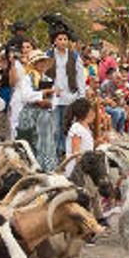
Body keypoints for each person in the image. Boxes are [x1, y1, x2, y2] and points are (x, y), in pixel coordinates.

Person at [14, 51, 58, 171]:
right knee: (30, 143)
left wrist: (50, 102)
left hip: (45, 116)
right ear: (34, 64)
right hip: (30, 115)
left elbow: (54, 98)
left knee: (46, 143)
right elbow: (25, 96)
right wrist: (41, 95)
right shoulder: (27, 79)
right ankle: (32, 168)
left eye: (43, 62)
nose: (42, 64)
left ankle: (47, 168)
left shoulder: (48, 79)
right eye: (39, 62)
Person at [48, 22, 86, 159]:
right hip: (54, 97)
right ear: (54, 41)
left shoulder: (74, 56)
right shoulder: (48, 55)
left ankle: (64, 151)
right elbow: (44, 75)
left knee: (66, 126)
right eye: (59, 39)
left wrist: (81, 96)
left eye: (65, 39)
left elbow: (80, 76)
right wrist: (51, 89)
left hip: (70, 96)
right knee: (55, 128)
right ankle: (55, 152)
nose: (62, 42)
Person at [62, 97, 95, 174]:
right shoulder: (77, 129)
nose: (94, 113)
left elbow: (86, 146)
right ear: (88, 112)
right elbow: (76, 154)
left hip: (84, 165)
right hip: (75, 171)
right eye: (92, 110)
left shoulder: (86, 127)